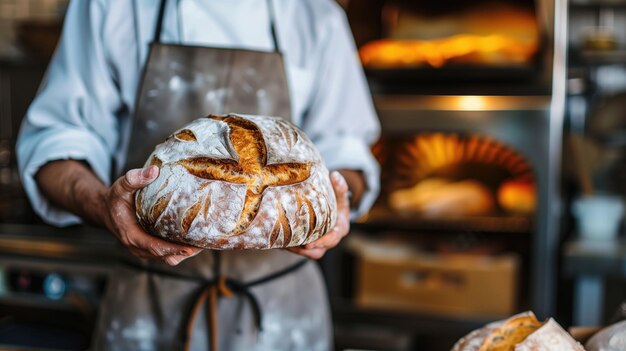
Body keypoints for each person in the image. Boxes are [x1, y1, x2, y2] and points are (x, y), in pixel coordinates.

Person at [17, 0, 380, 350]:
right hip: (149, 303)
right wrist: (101, 205)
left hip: (284, 310)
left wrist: (339, 195)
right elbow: (55, 144)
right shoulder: (111, 6)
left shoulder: (316, 14)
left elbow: (347, 151)